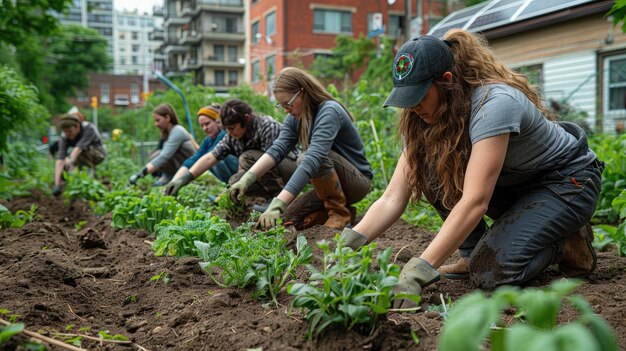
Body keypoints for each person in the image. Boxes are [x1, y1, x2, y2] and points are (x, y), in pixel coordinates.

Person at [339, 30, 604, 308]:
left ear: (447, 82)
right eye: (406, 99)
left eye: (418, 96)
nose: (413, 107)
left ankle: (565, 242)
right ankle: (470, 251)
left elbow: (475, 200)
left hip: (565, 184)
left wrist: (418, 272)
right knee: (428, 168)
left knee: (492, 273)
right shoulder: (422, 117)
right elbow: (392, 197)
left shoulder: (494, 105)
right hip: (514, 185)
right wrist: (348, 245)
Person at [229, 67, 373, 230]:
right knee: (288, 219)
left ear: (302, 92)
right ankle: (339, 212)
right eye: (280, 105)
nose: (285, 110)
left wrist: (278, 204)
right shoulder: (296, 117)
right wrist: (246, 179)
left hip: (356, 182)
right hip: (331, 184)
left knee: (307, 158)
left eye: (288, 103)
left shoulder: (329, 111)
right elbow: (277, 149)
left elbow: (314, 158)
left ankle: (339, 214)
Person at [164, 99, 298, 203]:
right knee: (235, 181)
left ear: (246, 119)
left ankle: (277, 197)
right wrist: (183, 180)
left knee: (246, 157)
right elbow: (210, 157)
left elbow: (270, 161)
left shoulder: (267, 126)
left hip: (289, 167)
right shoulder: (232, 136)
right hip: (263, 172)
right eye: (226, 128)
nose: (229, 132)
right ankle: (258, 201)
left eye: (232, 128)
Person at [164, 104, 238, 196]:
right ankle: (230, 190)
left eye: (207, 124)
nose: (204, 128)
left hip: (241, 172)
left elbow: (210, 157)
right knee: (204, 160)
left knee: (214, 159)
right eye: (202, 125)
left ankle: (232, 190)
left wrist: (183, 180)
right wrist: (174, 182)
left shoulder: (224, 135)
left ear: (217, 121)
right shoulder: (208, 140)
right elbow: (193, 160)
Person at [129, 103, 197, 186]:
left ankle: (171, 180)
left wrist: (139, 174)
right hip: (177, 170)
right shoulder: (167, 134)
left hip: (190, 170)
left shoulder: (177, 131)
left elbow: (164, 157)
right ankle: (166, 178)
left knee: (158, 155)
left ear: (167, 118)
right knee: (155, 154)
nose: (156, 124)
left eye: (158, 120)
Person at [52, 113, 107, 196]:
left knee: (81, 152)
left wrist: (70, 161)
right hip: (80, 154)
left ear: (77, 126)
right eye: (65, 131)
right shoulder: (64, 136)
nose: (67, 134)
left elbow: (79, 148)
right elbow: (60, 159)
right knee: (65, 162)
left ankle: (89, 181)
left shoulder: (88, 128)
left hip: (98, 153)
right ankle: (74, 182)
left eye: (69, 131)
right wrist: (57, 184)